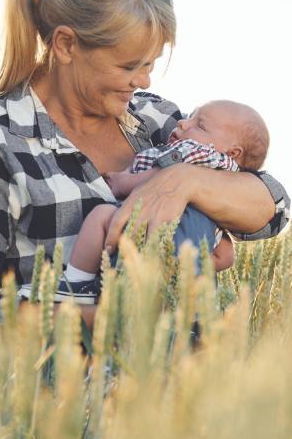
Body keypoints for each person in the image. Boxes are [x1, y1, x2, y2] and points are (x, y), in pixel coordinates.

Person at [0, 0, 290, 334]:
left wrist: (183, 182)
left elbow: (271, 209)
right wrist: (123, 322)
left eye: (150, 64)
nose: (144, 81)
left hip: (182, 388)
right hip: (58, 390)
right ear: (65, 45)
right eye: (129, 66)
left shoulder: (157, 122)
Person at [58, 100, 271, 304]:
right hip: (179, 282)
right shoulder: (221, 188)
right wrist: (189, 266)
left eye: (201, 125)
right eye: (191, 117)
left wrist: (125, 182)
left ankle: (77, 283)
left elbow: (163, 175)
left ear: (232, 152)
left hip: (145, 232)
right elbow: (226, 257)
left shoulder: (203, 155)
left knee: (100, 216)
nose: (183, 122)